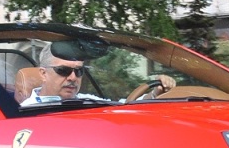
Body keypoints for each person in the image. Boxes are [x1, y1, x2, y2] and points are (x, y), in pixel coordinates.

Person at [21, 45, 174, 105]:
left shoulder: (87, 101)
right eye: (63, 70)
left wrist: (155, 93)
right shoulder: (27, 111)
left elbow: (124, 105)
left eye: (79, 71)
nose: (73, 78)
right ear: (43, 74)